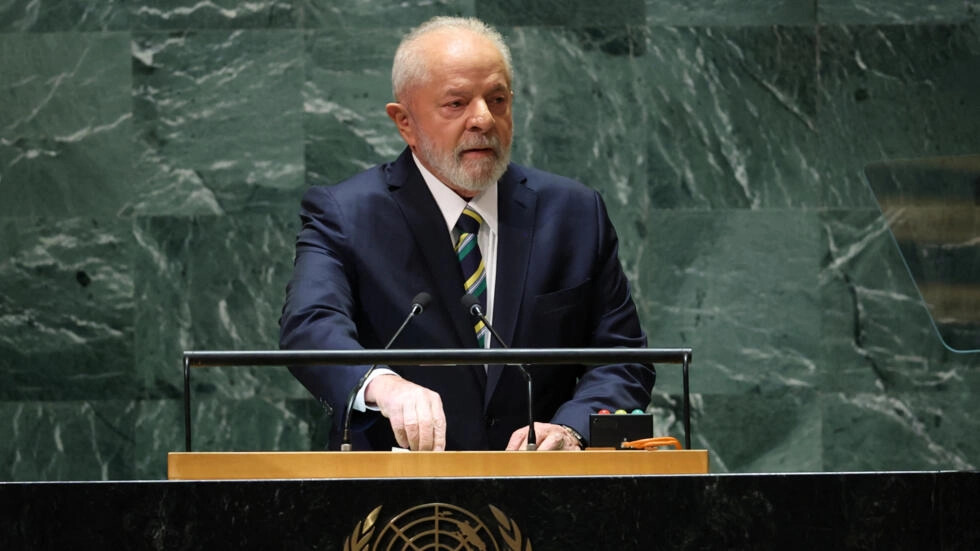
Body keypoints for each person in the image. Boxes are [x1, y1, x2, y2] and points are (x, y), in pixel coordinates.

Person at [279, 16, 654, 452]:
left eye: (497, 100)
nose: (483, 119)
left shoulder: (574, 213)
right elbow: (310, 326)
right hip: (396, 497)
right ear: (405, 122)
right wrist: (384, 385)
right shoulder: (346, 214)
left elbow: (622, 359)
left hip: (546, 490)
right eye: (456, 104)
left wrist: (571, 429)